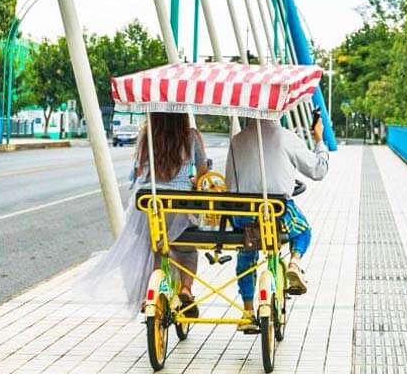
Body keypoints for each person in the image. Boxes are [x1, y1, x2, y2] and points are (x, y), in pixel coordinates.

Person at [73, 113, 207, 317]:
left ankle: (149, 294)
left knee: (156, 247)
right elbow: (203, 171)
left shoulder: (147, 136)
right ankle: (186, 289)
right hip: (179, 208)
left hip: (148, 206)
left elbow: (137, 172)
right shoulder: (192, 136)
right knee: (187, 251)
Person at [225, 114, 328, 331]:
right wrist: (319, 139)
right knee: (303, 231)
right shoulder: (286, 138)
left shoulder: (237, 140)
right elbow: (318, 171)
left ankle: (247, 310)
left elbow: (230, 184)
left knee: (246, 253)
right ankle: (294, 263)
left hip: (243, 215)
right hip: (277, 213)